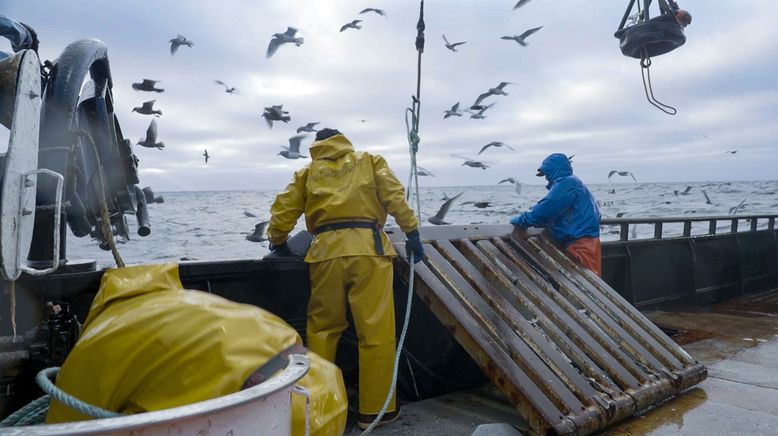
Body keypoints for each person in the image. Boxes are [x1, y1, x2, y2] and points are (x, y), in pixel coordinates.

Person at [267, 128, 424, 429]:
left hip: (324, 254)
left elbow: (284, 209)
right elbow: (394, 197)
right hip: (369, 252)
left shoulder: (307, 172)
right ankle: (376, 412)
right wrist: (412, 232)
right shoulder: (370, 160)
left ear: (316, 145)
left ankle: (322, 408)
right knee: (376, 333)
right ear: (343, 140)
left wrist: (277, 240)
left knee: (323, 331)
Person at [509, 153, 602, 276]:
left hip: (579, 244)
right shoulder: (575, 182)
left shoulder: (568, 183)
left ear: (554, 170)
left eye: (546, 173)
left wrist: (522, 219)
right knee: (590, 281)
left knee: (587, 283)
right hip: (585, 242)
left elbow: (546, 209)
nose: (546, 177)